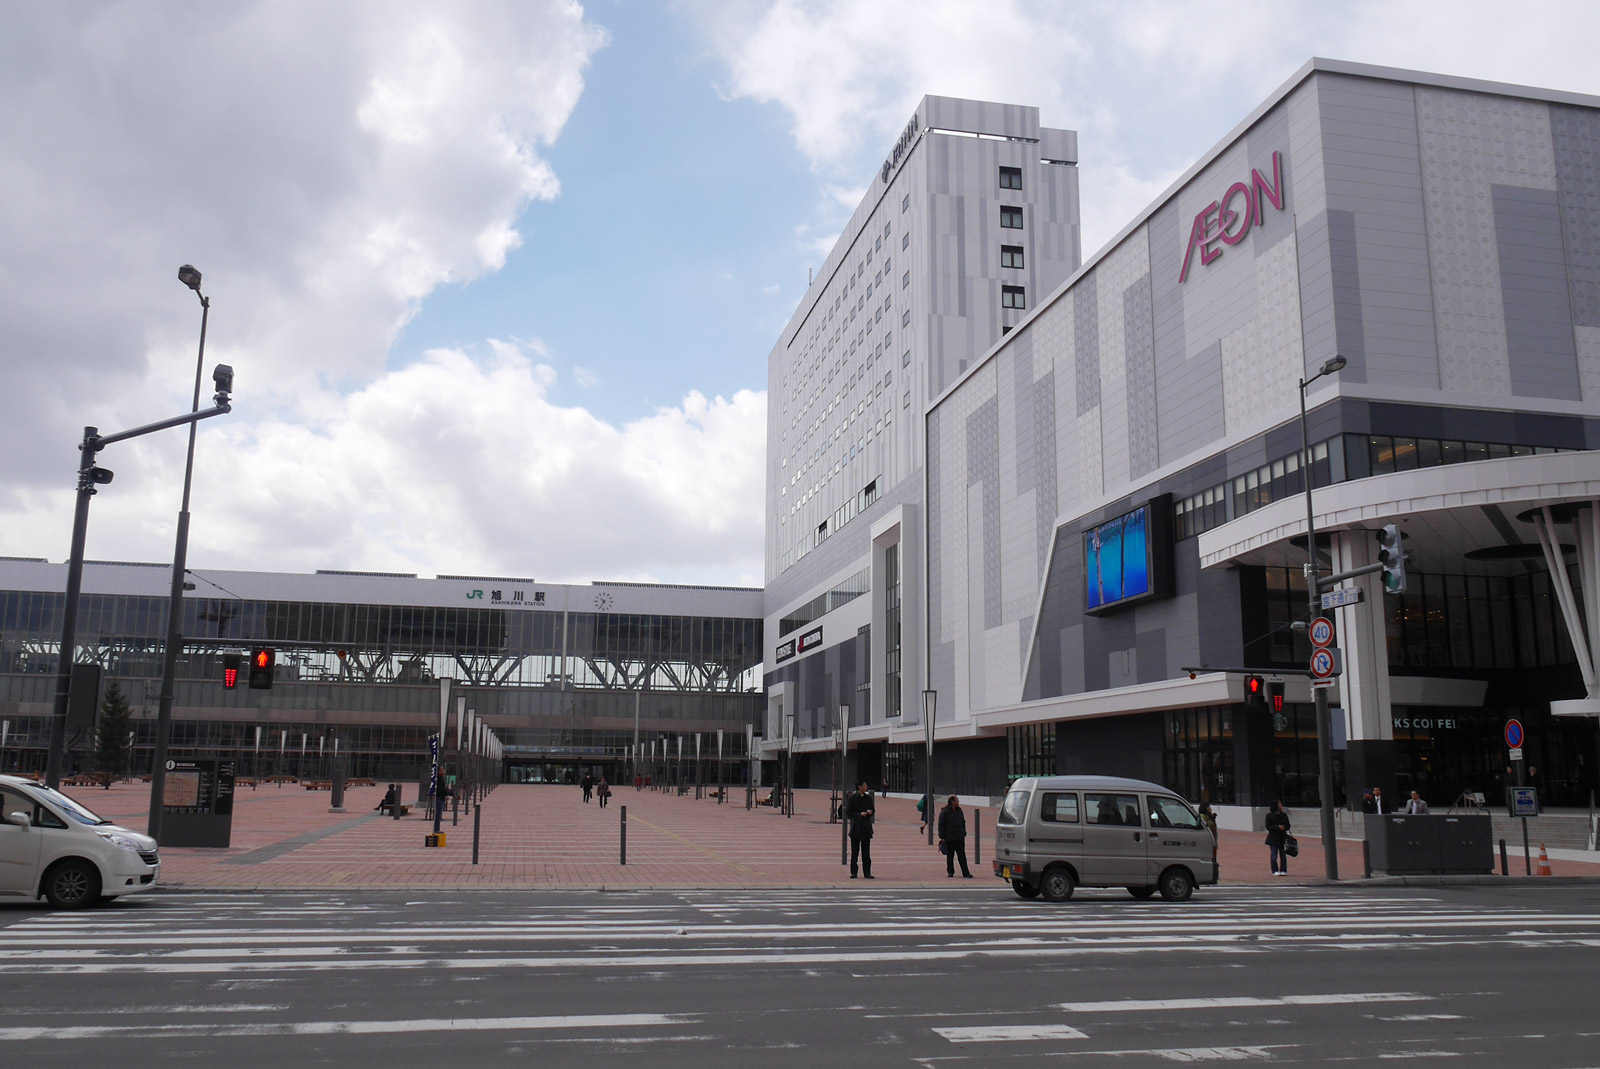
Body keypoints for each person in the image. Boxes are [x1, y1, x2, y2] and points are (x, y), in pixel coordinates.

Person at [937, 795, 973, 878]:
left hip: (959, 837)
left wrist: (963, 833)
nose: (958, 801)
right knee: (950, 856)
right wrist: (942, 836)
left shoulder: (959, 810)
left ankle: (966, 872)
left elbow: (962, 822)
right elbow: (941, 824)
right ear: (952, 801)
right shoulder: (945, 812)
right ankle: (950, 871)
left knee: (962, 856)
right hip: (949, 838)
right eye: (957, 800)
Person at [846, 780, 875, 878]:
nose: (866, 786)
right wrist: (859, 815)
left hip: (866, 828)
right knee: (855, 852)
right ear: (859, 787)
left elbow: (873, 809)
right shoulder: (853, 798)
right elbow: (849, 813)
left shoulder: (868, 798)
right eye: (864, 785)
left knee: (866, 852)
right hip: (856, 828)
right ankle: (854, 872)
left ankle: (867, 872)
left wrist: (870, 812)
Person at [1264, 800, 1291, 876]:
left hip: (1282, 837)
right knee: (1274, 855)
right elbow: (1268, 826)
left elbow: (1288, 825)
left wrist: (1284, 827)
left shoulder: (1284, 815)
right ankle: (1274, 870)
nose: (1281, 806)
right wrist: (1277, 827)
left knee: (1283, 855)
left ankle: (1283, 869)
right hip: (1273, 838)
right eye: (1279, 804)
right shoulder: (1269, 815)